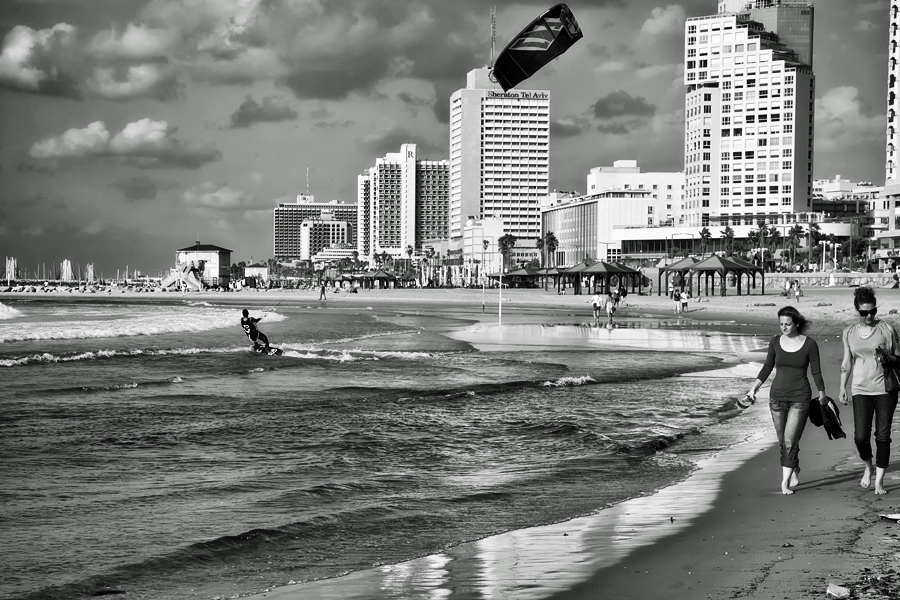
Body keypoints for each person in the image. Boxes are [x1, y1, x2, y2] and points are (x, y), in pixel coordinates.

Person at [747, 306, 827, 495]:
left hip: (800, 398)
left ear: (796, 323)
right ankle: (794, 468)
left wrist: (822, 392)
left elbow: (816, 370)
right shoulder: (775, 342)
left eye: (787, 324)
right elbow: (767, 367)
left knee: (791, 440)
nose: (783, 327)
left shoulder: (810, 344)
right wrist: (753, 388)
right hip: (777, 398)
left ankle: (784, 483)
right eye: (781, 324)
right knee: (783, 442)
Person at [839, 287, 899, 495]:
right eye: (864, 313)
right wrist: (842, 387)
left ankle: (879, 481)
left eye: (872, 311)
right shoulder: (849, 333)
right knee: (860, 437)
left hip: (885, 389)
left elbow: (898, 359)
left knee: (882, 436)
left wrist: (887, 358)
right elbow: (847, 362)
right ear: (857, 311)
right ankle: (868, 466)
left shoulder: (887, 330)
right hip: (860, 389)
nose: (869, 316)